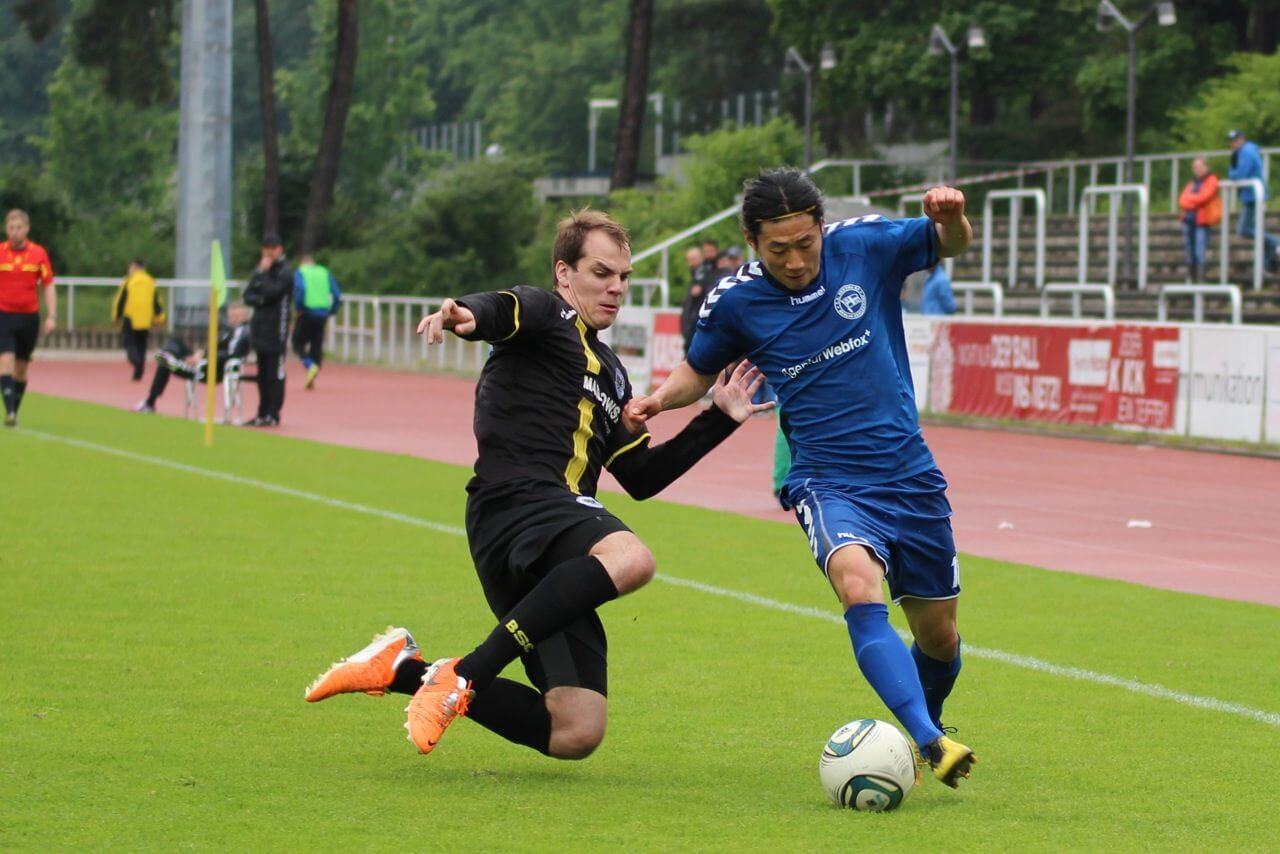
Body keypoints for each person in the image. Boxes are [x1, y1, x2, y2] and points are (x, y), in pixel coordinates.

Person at [303, 209, 773, 762]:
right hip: (521, 504)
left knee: (576, 731)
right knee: (632, 558)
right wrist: (462, 315)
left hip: (553, 539)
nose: (616, 287)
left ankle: (404, 669)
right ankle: (468, 674)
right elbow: (500, 311)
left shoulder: (613, 373)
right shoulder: (548, 313)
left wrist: (718, 418)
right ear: (564, 273)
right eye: (601, 272)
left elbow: (642, 479)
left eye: (623, 276)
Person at [625, 168, 978, 788]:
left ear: (822, 225)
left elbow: (947, 245)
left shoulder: (865, 245)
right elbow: (699, 370)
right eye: (777, 249)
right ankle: (929, 740)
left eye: (805, 243)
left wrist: (950, 219)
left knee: (941, 637)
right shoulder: (734, 301)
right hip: (825, 478)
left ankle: (929, 723)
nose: (794, 260)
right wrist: (659, 399)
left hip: (908, 472)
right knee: (856, 584)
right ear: (751, 240)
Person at [132, 304, 251, 413]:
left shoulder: (241, 332)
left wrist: (204, 358)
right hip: (205, 360)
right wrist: (201, 354)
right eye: (231, 316)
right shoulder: (228, 330)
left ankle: (150, 402)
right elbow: (215, 348)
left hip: (211, 370)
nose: (232, 319)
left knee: (165, 362)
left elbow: (231, 354)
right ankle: (176, 358)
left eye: (237, 316)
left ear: (245, 317)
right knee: (174, 342)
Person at [0, 208, 56, 428]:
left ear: (27, 229)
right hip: (3, 314)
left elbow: (48, 286)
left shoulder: (38, 254)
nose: (14, 232)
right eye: (11, 228)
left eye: (19, 228)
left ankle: (15, 407)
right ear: (6, 229)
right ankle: (10, 411)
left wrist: (51, 315)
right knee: (5, 359)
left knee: (21, 368)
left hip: (29, 318)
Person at [242, 233, 293, 426]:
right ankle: (262, 412)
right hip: (260, 328)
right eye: (266, 248)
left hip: (276, 330)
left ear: (280, 249)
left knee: (275, 374)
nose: (269, 252)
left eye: (273, 248)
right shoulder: (261, 270)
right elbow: (248, 295)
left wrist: (263, 277)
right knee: (262, 374)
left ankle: (273, 413)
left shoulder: (285, 271)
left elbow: (273, 293)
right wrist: (261, 296)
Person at [1226, 129, 1280, 272]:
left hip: (1253, 196)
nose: (1233, 143)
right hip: (1251, 196)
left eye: (1236, 140)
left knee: (1244, 229)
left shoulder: (1246, 152)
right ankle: (1268, 263)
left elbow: (1240, 175)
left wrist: (1232, 172)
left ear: (1243, 139)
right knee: (1255, 231)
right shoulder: (1245, 151)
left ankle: (1275, 243)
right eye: (1232, 141)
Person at [292, 253, 341, 390]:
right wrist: (333, 310)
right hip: (322, 314)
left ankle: (309, 365)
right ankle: (314, 369)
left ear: (302, 263)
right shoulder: (324, 272)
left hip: (306, 312)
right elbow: (336, 293)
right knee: (316, 344)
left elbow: (300, 290)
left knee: (297, 342)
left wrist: (298, 307)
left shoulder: (301, 272)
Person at [112, 258, 164, 381]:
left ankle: (135, 360)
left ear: (134, 267)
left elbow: (120, 300)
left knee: (129, 342)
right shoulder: (150, 281)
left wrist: (116, 316)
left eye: (130, 267)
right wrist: (159, 318)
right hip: (146, 319)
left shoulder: (129, 281)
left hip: (130, 317)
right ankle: (139, 371)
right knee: (142, 344)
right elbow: (157, 302)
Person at [1178, 157, 1221, 283]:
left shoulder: (1212, 180)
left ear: (1206, 167)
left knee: (1199, 251)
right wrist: (1194, 201)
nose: (1197, 170)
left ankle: (1200, 280)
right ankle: (1192, 279)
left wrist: (1190, 200)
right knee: (1190, 252)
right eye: (1195, 167)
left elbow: (1204, 197)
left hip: (1202, 222)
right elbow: (1182, 201)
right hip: (1188, 220)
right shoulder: (1192, 183)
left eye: (1199, 167)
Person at [680, 246, 705, 354]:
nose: (691, 263)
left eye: (694, 259)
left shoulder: (703, 275)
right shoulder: (695, 276)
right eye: (689, 260)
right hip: (690, 330)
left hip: (696, 330)